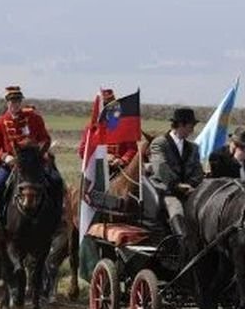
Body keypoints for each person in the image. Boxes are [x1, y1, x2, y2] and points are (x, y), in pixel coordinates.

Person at [0, 86, 62, 230]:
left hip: (34, 163)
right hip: (12, 164)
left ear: (21, 102)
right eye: (11, 101)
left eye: (17, 100)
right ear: (7, 102)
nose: (14, 104)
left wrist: (40, 151)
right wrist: (4, 157)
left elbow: (45, 139)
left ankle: (57, 219)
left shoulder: (34, 119)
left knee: (56, 181)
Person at [148, 107, 205, 237]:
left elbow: (198, 171)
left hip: (190, 191)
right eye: (191, 125)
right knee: (176, 209)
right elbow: (161, 168)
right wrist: (177, 185)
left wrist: (191, 185)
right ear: (181, 124)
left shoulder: (193, 148)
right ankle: (182, 238)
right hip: (167, 191)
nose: (192, 129)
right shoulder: (160, 143)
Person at [76, 88, 139, 175]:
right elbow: (83, 151)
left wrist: (122, 160)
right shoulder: (91, 128)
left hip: (120, 170)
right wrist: (103, 158)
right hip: (96, 170)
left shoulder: (125, 126)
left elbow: (132, 149)